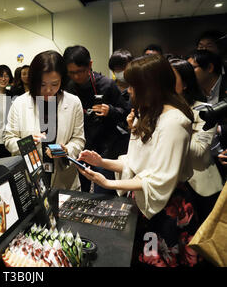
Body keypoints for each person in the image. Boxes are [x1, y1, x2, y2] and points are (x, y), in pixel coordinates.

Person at [77, 55, 202, 267]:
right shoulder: (145, 113)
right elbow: (135, 164)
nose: (130, 91)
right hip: (143, 203)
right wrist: (101, 162)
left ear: (151, 86)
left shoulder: (174, 122)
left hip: (165, 208)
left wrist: (108, 183)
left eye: (134, 86)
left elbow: (158, 179)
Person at [4, 50, 85, 190]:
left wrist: (67, 149)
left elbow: (79, 139)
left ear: (62, 80)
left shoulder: (73, 102)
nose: (48, 90)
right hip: (31, 178)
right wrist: (27, 143)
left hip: (64, 178)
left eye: (54, 84)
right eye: (42, 85)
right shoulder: (20, 103)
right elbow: (9, 139)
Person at [64, 45, 130, 194]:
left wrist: (110, 110)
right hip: (80, 145)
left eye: (80, 72)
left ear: (90, 65)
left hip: (106, 147)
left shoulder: (107, 84)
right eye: (71, 73)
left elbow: (126, 113)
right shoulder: (67, 87)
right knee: (82, 190)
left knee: (104, 191)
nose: (76, 77)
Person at [169, 58, 223, 222]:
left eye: (170, 79)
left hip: (200, 187)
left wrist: (174, 128)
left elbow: (199, 152)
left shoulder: (204, 111)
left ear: (185, 84)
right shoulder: (160, 110)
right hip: (170, 186)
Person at [188, 49, 227, 179]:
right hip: (205, 163)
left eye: (192, 68)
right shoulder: (193, 91)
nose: (188, 72)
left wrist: (219, 129)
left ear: (209, 68)